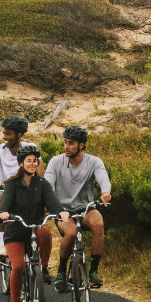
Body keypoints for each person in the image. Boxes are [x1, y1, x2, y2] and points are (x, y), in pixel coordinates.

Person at [0, 143, 74, 302]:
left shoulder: (42, 184)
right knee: (17, 266)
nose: (33, 164)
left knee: (46, 233)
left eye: (35, 161)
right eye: (29, 161)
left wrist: (61, 212)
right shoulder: (12, 185)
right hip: (15, 232)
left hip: (34, 228)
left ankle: (44, 269)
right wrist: (3, 214)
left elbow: (53, 202)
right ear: (21, 164)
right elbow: (5, 205)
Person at [45, 125, 111, 292]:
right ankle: (61, 272)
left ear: (81, 145)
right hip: (63, 210)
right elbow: (47, 185)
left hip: (85, 208)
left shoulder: (94, 162)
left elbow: (103, 178)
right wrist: (51, 204)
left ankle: (94, 271)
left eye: (71, 143)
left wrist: (105, 192)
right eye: (65, 142)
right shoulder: (56, 162)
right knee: (72, 233)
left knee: (99, 223)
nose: (66, 146)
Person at [0, 115, 44, 258]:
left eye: (8, 134)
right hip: (3, 190)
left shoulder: (30, 148)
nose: (4, 137)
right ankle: (2, 243)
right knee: (4, 200)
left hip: (26, 191)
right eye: (4, 133)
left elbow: (40, 171)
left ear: (19, 134)